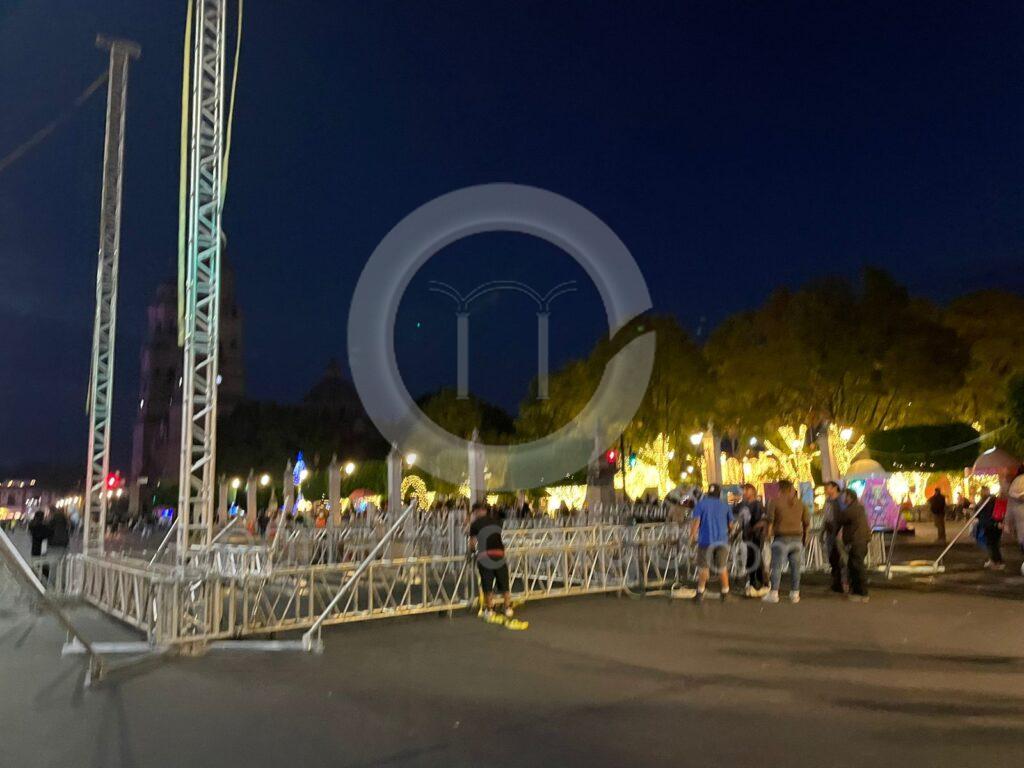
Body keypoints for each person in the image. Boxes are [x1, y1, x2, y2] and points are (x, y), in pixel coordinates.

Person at [764, 479, 810, 604]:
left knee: (776, 566)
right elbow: (806, 523)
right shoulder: (801, 504)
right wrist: (805, 538)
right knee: (795, 568)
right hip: (797, 539)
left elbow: (770, 521)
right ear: (791, 489)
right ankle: (795, 594)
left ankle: (774, 593)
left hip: (781, 538)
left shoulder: (774, 502)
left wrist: (768, 536)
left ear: (780, 489)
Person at [468, 501, 514, 620]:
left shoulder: (475, 524)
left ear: (478, 511)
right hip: (499, 554)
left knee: (487, 584)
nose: (474, 514)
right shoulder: (496, 521)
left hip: (485, 555)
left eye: (474, 512)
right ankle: (508, 608)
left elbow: (472, 542)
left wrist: (472, 552)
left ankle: (490, 610)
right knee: (504, 583)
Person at [690, 484, 734, 602]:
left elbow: (696, 522)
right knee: (722, 567)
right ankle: (725, 592)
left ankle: (700, 593)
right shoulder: (725, 505)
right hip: (722, 541)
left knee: (703, 567)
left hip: (705, 541)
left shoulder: (701, 504)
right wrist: (729, 533)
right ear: (719, 494)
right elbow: (731, 525)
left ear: (708, 493)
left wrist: (692, 536)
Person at [834, 488, 871, 601]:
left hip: (856, 541)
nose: (842, 498)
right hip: (859, 540)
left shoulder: (853, 509)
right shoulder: (858, 508)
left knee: (857, 567)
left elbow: (840, 518)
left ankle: (863, 593)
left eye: (844, 496)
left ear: (849, 497)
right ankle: (857, 592)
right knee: (853, 566)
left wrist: (837, 504)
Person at [733, 483, 768, 596]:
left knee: (756, 558)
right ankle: (752, 581)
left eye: (746, 490)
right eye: (744, 490)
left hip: (756, 536)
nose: (744, 492)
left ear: (752, 491)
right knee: (750, 559)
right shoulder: (743, 504)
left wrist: (753, 530)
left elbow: (762, 521)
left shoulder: (757, 505)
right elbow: (738, 516)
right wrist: (737, 532)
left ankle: (763, 582)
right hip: (747, 536)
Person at [822, 481, 845, 594]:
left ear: (835, 488)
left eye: (828, 488)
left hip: (838, 530)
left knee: (839, 556)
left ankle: (840, 583)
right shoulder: (827, 501)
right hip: (829, 531)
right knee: (832, 556)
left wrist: (841, 530)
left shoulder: (841, 500)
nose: (826, 490)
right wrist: (823, 530)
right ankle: (836, 582)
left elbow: (845, 516)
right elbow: (825, 517)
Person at [973, 487, 1003, 570]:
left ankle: (997, 562)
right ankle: (994, 560)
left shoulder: (985, 501)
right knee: (993, 544)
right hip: (994, 524)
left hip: (989, 524)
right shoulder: (993, 500)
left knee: (992, 544)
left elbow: (979, 513)